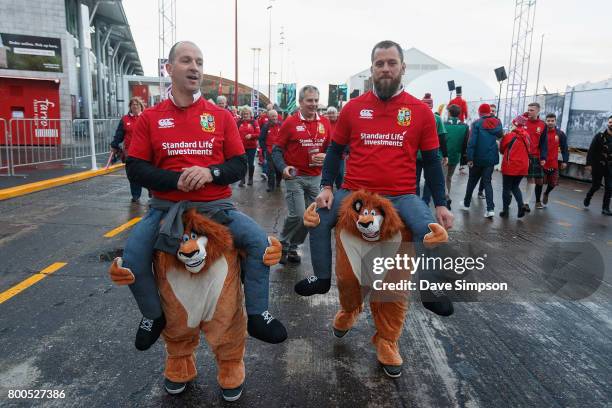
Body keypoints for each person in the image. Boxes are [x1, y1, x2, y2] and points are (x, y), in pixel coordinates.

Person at [121, 41, 287, 354]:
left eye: (199, 61)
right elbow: (135, 168)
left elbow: (239, 164)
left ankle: (257, 314)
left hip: (217, 208)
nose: (195, 67)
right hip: (166, 210)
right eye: (186, 61)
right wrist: (176, 180)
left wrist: (211, 173)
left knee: (260, 244)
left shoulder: (221, 116)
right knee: (131, 259)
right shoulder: (150, 118)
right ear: (169, 69)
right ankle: (152, 315)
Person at [296, 40, 454, 316]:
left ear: (402, 68)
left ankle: (431, 292)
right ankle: (321, 280)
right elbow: (334, 151)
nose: (385, 69)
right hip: (354, 191)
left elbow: (431, 161)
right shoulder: (353, 108)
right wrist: (326, 186)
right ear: (372, 69)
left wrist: (441, 203)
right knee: (318, 218)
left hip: (402, 195)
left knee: (431, 231)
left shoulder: (420, 112)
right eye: (379, 64)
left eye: (391, 63)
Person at [272, 85, 331, 264]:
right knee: (298, 215)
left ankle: (293, 247)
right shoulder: (290, 123)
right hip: (295, 177)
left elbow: (332, 149)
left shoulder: (325, 123)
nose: (313, 104)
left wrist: (327, 156)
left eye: (315, 100)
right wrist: (283, 167)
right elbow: (276, 150)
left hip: (315, 178)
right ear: (300, 102)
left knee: (310, 218)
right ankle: (282, 243)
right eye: (309, 100)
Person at [461, 104, 503, 218]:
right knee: (487, 182)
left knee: (472, 181)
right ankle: (490, 209)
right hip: (490, 158)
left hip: (478, 158)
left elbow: (472, 142)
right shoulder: (497, 122)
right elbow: (500, 135)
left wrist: (469, 158)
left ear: (480, 112)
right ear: (489, 112)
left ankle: (466, 204)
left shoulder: (476, 124)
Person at [110, 97, 147, 202]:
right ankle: (135, 195)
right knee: (132, 174)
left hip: (145, 151)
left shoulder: (146, 117)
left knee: (147, 173)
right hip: (130, 152)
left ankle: (151, 192)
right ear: (130, 107)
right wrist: (114, 145)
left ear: (141, 106)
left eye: (137, 104)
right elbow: (119, 134)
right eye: (133, 104)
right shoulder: (125, 119)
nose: (135, 106)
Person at [417, 93, 448, 205]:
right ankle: (425, 201)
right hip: (431, 154)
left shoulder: (414, 117)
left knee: (414, 179)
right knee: (429, 179)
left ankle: (415, 200)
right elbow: (442, 138)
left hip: (415, 155)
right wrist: (445, 155)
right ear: (431, 106)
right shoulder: (437, 119)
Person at [535, 113, 569, 208]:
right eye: (548, 121)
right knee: (539, 183)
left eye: (552, 121)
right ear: (545, 121)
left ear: (555, 121)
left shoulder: (560, 134)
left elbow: (564, 149)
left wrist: (565, 161)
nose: (550, 123)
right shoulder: (541, 132)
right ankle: (538, 201)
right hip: (541, 162)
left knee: (553, 183)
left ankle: (546, 193)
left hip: (553, 163)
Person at [499, 115, 530, 218]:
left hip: (510, 165)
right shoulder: (527, 136)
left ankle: (505, 211)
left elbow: (502, 149)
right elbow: (529, 149)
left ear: (515, 124)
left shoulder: (510, 135)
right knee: (515, 186)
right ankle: (521, 206)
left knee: (506, 188)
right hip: (523, 166)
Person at [584, 115, 612, 215]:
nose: (611, 124)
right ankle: (588, 196)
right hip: (598, 166)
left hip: (610, 167)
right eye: (610, 122)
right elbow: (591, 151)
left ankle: (605, 208)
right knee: (596, 186)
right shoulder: (599, 136)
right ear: (608, 123)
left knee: (609, 187)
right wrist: (589, 164)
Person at [522, 102, 547, 212]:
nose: (529, 112)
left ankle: (526, 203)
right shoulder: (522, 120)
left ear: (538, 111)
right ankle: (509, 198)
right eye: (528, 109)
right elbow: (512, 128)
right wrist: (521, 117)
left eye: (532, 110)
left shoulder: (542, 125)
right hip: (521, 154)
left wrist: (543, 158)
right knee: (515, 178)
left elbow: (543, 143)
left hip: (534, 156)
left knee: (531, 179)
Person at [444, 104, 470, 210]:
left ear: (449, 113)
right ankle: (447, 196)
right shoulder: (464, 126)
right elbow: (465, 144)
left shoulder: (444, 125)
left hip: (444, 155)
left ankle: (446, 197)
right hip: (456, 155)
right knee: (449, 177)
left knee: (443, 177)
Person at [259, 109, 283, 192]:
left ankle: (278, 181)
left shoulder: (281, 125)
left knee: (279, 169)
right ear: (269, 117)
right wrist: (264, 149)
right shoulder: (265, 127)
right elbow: (261, 139)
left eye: (275, 116)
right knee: (270, 170)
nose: (274, 118)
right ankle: (271, 186)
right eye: (272, 116)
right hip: (270, 151)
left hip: (280, 152)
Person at [236, 106, 260, 187]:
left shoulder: (254, 122)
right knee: (242, 163)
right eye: (244, 114)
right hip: (241, 147)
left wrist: (252, 136)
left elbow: (258, 134)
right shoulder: (239, 122)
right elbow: (234, 133)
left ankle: (250, 178)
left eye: (247, 114)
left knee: (250, 163)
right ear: (241, 114)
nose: (245, 115)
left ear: (250, 114)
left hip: (252, 147)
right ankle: (242, 179)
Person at [325, 106, 345, 190]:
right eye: (329, 113)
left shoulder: (341, 122)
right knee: (328, 174)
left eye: (333, 113)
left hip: (340, 153)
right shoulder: (325, 123)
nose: (331, 115)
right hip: (328, 152)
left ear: (337, 113)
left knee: (340, 174)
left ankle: (340, 192)